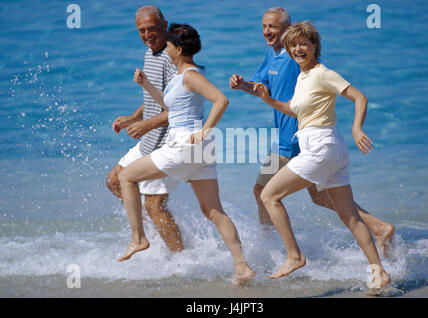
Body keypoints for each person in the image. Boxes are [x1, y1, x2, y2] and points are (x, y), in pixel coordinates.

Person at [229, 7, 394, 255]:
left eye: (272, 26)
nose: (266, 31)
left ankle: (272, 247)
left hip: (297, 141)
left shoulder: (297, 57)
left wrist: (356, 127)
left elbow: (320, 75)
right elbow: (262, 88)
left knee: (263, 191)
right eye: (264, 26)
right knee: (318, 196)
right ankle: (378, 228)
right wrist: (244, 85)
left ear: (289, 29)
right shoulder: (273, 55)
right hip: (288, 138)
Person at [118, 23, 255, 285]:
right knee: (213, 210)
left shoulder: (191, 75)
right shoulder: (181, 76)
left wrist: (205, 130)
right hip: (199, 149)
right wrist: (147, 85)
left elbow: (221, 99)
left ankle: (138, 238)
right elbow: (171, 106)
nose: (165, 49)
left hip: (184, 144)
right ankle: (242, 266)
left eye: (169, 45)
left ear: (178, 49)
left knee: (126, 177)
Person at [105, 6, 184, 254]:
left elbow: (179, 109)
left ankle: (182, 258)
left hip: (168, 143)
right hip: (149, 139)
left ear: (165, 25)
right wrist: (132, 118)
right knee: (115, 181)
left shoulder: (172, 59)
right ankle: (148, 232)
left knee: (155, 206)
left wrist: (146, 124)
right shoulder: (149, 54)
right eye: (142, 30)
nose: (148, 34)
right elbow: (155, 97)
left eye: (152, 28)